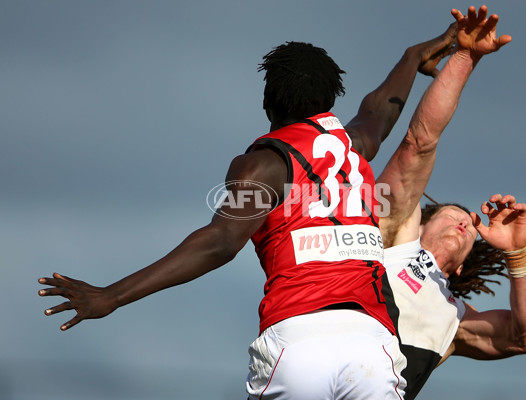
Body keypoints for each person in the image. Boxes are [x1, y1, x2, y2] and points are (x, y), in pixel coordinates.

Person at [38, 19, 458, 399]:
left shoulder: (264, 164)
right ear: (330, 100)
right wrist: (413, 57)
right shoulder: (354, 147)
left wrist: (111, 296)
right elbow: (379, 110)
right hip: (371, 342)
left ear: (267, 102)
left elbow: (220, 242)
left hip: (298, 341)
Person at [376, 6, 526, 400]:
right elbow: (419, 144)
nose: (467, 222)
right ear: (418, 222)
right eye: (456, 214)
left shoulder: (453, 319)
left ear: (460, 267)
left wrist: (519, 252)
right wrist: (465, 58)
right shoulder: (390, 242)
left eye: (472, 230)